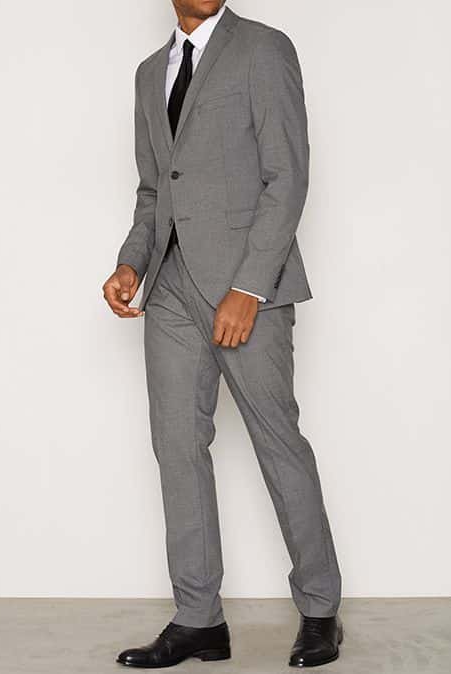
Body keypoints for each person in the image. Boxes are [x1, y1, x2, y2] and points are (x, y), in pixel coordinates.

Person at [103, 1, 343, 668]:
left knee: (277, 442)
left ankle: (321, 609)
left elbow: (287, 175)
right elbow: (154, 190)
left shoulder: (264, 48)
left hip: (248, 287)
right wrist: (130, 263)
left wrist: (250, 287)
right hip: (170, 289)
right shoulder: (149, 73)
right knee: (177, 449)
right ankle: (198, 620)